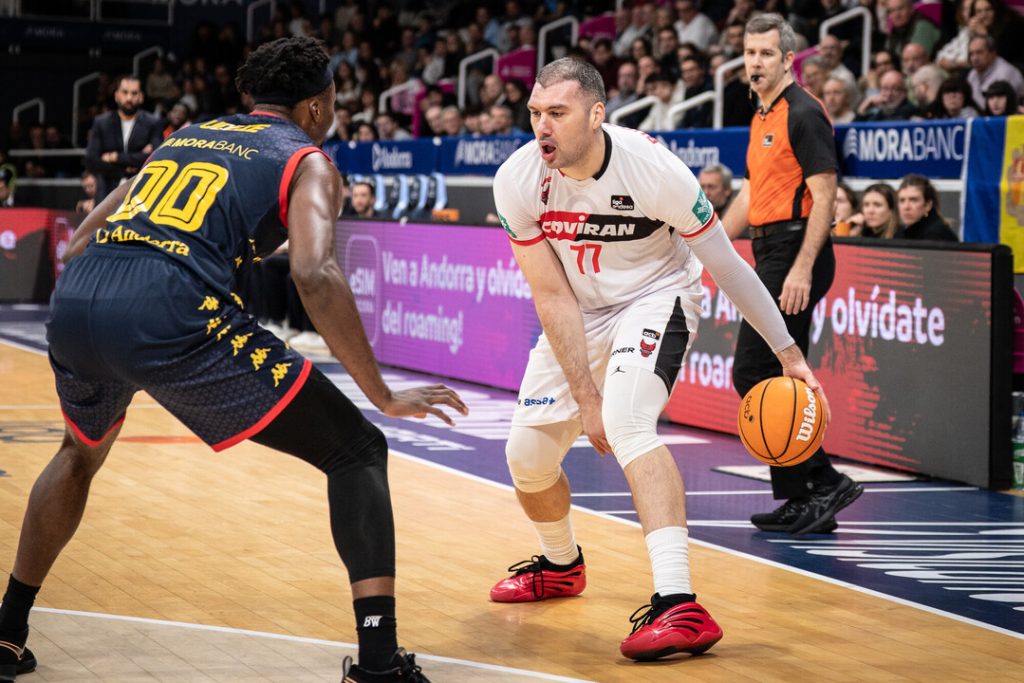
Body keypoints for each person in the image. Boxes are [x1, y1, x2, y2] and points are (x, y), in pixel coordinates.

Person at [0, 37, 467, 683]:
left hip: (79, 297)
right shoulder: (308, 159)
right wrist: (381, 391)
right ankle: (380, 663)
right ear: (316, 104)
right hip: (167, 306)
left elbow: (85, 233)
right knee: (355, 448)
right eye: (331, 100)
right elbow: (315, 270)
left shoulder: (191, 132)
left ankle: (7, 632)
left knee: (78, 453)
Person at [490, 56, 828, 661]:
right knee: (527, 458)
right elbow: (550, 296)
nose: (542, 127)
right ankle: (562, 565)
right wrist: (583, 398)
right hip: (580, 309)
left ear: (597, 114)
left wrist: (789, 354)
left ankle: (679, 603)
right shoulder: (517, 180)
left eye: (557, 114)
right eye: (536, 113)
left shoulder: (654, 170)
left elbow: (728, 267)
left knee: (627, 423)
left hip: (656, 297)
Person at [721, 14, 862, 537]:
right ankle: (803, 496)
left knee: (757, 372)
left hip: (796, 251)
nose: (754, 62)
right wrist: (703, 244)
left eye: (764, 53)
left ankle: (822, 483)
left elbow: (825, 196)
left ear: (787, 59)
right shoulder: (763, 115)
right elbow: (750, 195)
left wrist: (802, 267)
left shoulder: (803, 112)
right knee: (776, 376)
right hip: (770, 251)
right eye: (749, 52)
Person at [83, 75, 164, 202]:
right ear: (116, 95)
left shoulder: (153, 123)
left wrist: (115, 157)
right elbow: (91, 160)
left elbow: (156, 158)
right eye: (125, 92)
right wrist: (127, 167)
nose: (129, 98)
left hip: (141, 195)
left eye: (134, 93)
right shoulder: (102, 123)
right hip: (106, 195)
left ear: (141, 97)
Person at [897, 174, 959, 241]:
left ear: (927, 206)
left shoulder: (935, 235)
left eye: (913, 200)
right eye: (902, 200)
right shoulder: (903, 231)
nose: (906, 207)